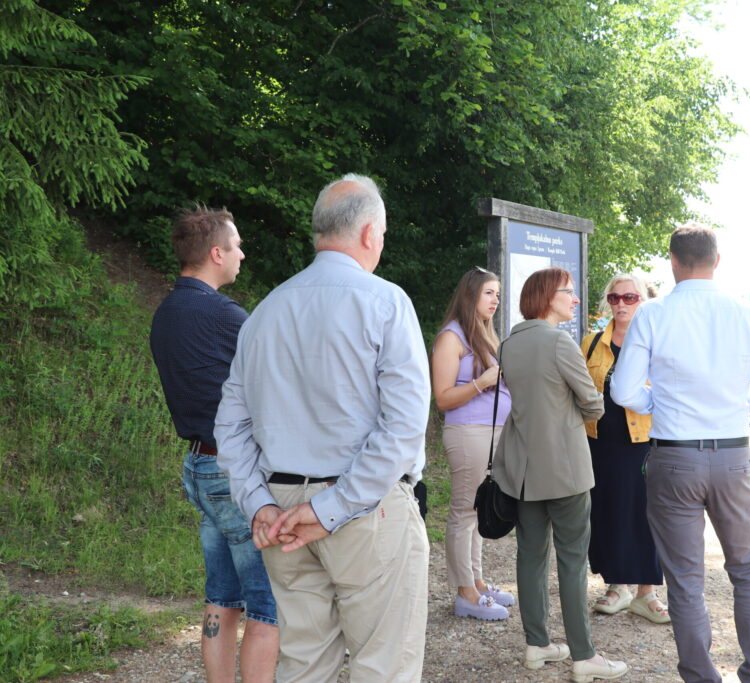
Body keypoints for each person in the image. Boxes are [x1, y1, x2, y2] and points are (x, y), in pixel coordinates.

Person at [214, 174, 431, 682]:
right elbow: (403, 426)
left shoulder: (265, 311)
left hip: (282, 509)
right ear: (370, 234)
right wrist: (330, 507)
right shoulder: (385, 302)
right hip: (365, 507)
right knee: (384, 665)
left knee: (304, 665)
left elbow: (231, 426)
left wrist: (259, 504)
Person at [611, 223, 750, 683]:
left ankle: (701, 677)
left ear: (673, 261)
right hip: (732, 456)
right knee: (748, 570)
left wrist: (660, 403)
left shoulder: (652, 315)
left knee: (686, 579)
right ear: (717, 261)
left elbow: (624, 390)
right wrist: (733, 403)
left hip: (674, 457)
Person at [149, 206, 278, 683]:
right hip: (234, 472)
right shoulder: (224, 315)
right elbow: (277, 379)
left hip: (199, 467)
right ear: (217, 253)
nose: (243, 254)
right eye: (237, 245)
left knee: (222, 598)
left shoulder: (165, 312)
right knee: (267, 606)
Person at [492, 267, 629, 683]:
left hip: (523, 469)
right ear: (548, 295)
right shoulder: (559, 342)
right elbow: (593, 403)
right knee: (571, 560)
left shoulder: (509, 342)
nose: (575, 298)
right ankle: (584, 656)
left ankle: (537, 644)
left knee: (530, 556)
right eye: (569, 291)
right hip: (565, 468)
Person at [580, 275, 667, 624]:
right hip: (600, 443)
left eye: (630, 297)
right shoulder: (590, 343)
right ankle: (618, 586)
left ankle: (647, 592)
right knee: (608, 512)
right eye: (615, 297)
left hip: (644, 442)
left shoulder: (658, 340)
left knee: (647, 515)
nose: (621, 304)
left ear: (643, 300)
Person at [431, 267, 515, 621]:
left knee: (479, 509)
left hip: (493, 432)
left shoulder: (485, 335)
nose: (496, 300)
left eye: (498, 294)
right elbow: (443, 397)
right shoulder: (451, 337)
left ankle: (477, 583)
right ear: (470, 296)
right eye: (488, 293)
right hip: (468, 433)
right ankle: (465, 593)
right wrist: (482, 382)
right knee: (464, 511)